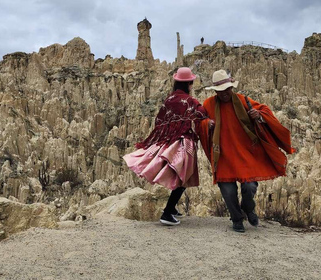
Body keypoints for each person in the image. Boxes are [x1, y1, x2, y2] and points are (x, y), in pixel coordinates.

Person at [199, 70, 295, 232]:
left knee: (249, 187)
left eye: (227, 90)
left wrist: (258, 115)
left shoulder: (243, 101)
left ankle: (248, 208)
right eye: (221, 91)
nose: (224, 94)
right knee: (228, 192)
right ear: (215, 91)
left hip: (246, 154)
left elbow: (264, 111)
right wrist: (206, 123)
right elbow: (198, 121)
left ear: (232, 88)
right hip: (223, 156)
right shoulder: (208, 105)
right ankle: (237, 219)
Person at [123, 67, 207, 226]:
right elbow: (201, 114)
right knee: (184, 176)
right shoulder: (190, 101)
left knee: (175, 173)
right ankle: (167, 212)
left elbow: (159, 120)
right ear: (189, 83)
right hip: (183, 142)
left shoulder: (169, 100)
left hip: (168, 141)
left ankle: (172, 208)